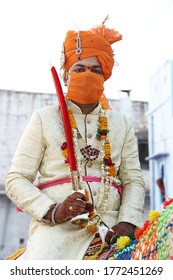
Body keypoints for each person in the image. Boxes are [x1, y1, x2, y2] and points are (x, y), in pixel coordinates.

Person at [5, 18, 145, 260]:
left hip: (112, 229)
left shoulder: (120, 123)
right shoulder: (44, 118)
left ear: (105, 77)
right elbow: (16, 179)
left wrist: (127, 222)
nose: (87, 75)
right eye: (79, 69)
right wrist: (52, 211)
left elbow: (133, 179)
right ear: (66, 76)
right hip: (56, 231)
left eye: (96, 70)